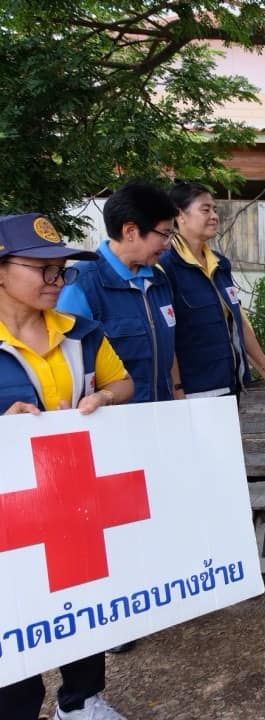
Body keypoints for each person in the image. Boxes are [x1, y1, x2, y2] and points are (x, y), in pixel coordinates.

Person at [0, 213, 134, 720]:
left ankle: (80, 701)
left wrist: (102, 395)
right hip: (11, 514)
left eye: (63, 271)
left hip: (75, 499)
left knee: (83, 601)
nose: (57, 282)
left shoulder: (82, 332)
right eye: (43, 270)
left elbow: (124, 385)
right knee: (14, 618)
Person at [159, 182, 265, 398]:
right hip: (193, 391)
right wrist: (177, 390)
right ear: (180, 215)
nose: (214, 216)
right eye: (205, 209)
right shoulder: (165, 266)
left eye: (214, 209)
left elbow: (237, 320)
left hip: (229, 384)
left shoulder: (220, 264)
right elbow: (165, 335)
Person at [57, 182, 178, 402]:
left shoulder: (159, 280)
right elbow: (67, 364)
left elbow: (169, 351)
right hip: (114, 420)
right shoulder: (82, 284)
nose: (168, 245)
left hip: (164, 413)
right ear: (130, 231)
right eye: (165, 234)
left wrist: (178, 395)